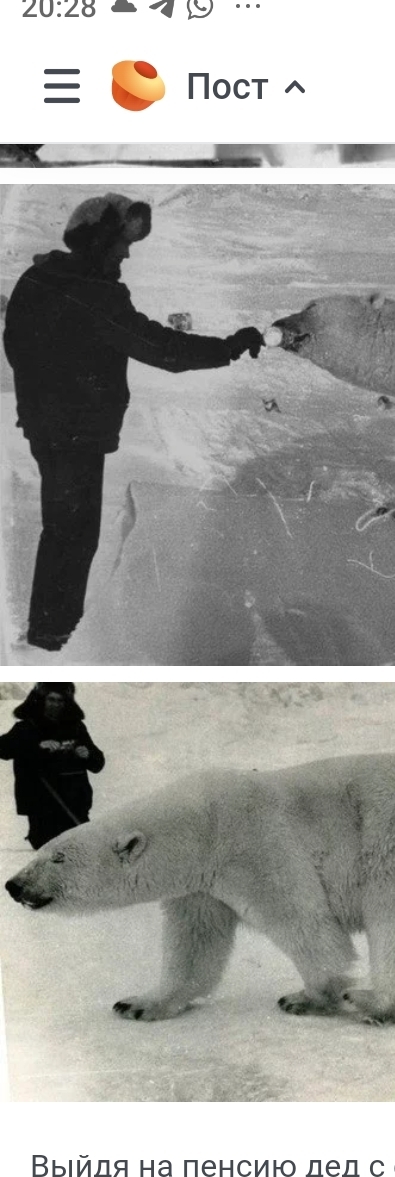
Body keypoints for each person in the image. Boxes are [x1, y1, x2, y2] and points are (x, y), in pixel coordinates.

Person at [2, 193, 265, 651]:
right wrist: (227, 347)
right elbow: (162, 348)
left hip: (46, 427)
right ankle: (53, 637)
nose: (126, 254)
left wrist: (48, 391)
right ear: (100, 239)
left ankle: (51, 630)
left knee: (62, 530)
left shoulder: (39, 276)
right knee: (74, 535)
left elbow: (14, 344)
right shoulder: (96, 294)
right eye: (122, 244)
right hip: (76, 432)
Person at [0, 683, 105, 849]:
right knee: (49, 856)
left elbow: (98, 764)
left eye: (61, 701)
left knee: (80, 852)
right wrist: (37, 747)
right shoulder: (26, 728)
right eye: (51, 699)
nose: (56, 704)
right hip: (42, 807)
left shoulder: (76, 728)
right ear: (41, 700)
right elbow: (3, 749)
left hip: (75, 805)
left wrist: (88, 754)